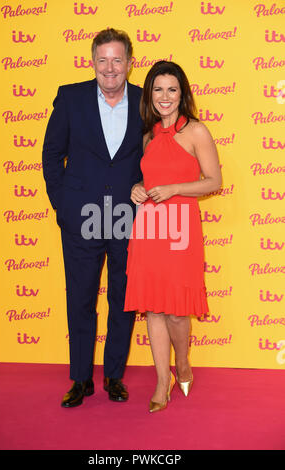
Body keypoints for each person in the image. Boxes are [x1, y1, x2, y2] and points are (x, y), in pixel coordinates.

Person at [42, 29, 143, 408]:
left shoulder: (146, 101)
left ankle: (114, 376)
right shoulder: (71, 97)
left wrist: (145, 185)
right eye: (103, 60)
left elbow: (156, 153)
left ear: (130, 63)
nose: (110, 68)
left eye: (118, 59)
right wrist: (62, 205)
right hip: (80, 216)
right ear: (92, 62)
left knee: (123, 298)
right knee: (81, 298)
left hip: (127, 217)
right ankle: (81, 378)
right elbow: (52, 155)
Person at [124, 61, 222, 413]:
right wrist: (138, 188)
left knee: (178, 313)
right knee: (152, 309)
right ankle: (162, 381)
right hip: (149, 229)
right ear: (150, 94)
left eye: (172, 89)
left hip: (181, 229)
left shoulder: (196, 131)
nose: (165, 97)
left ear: (182, 93)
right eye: (158, 90)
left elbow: (214, 182)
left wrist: (176, 188)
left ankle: (183, 364)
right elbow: (148, 182)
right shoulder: (148, 134)